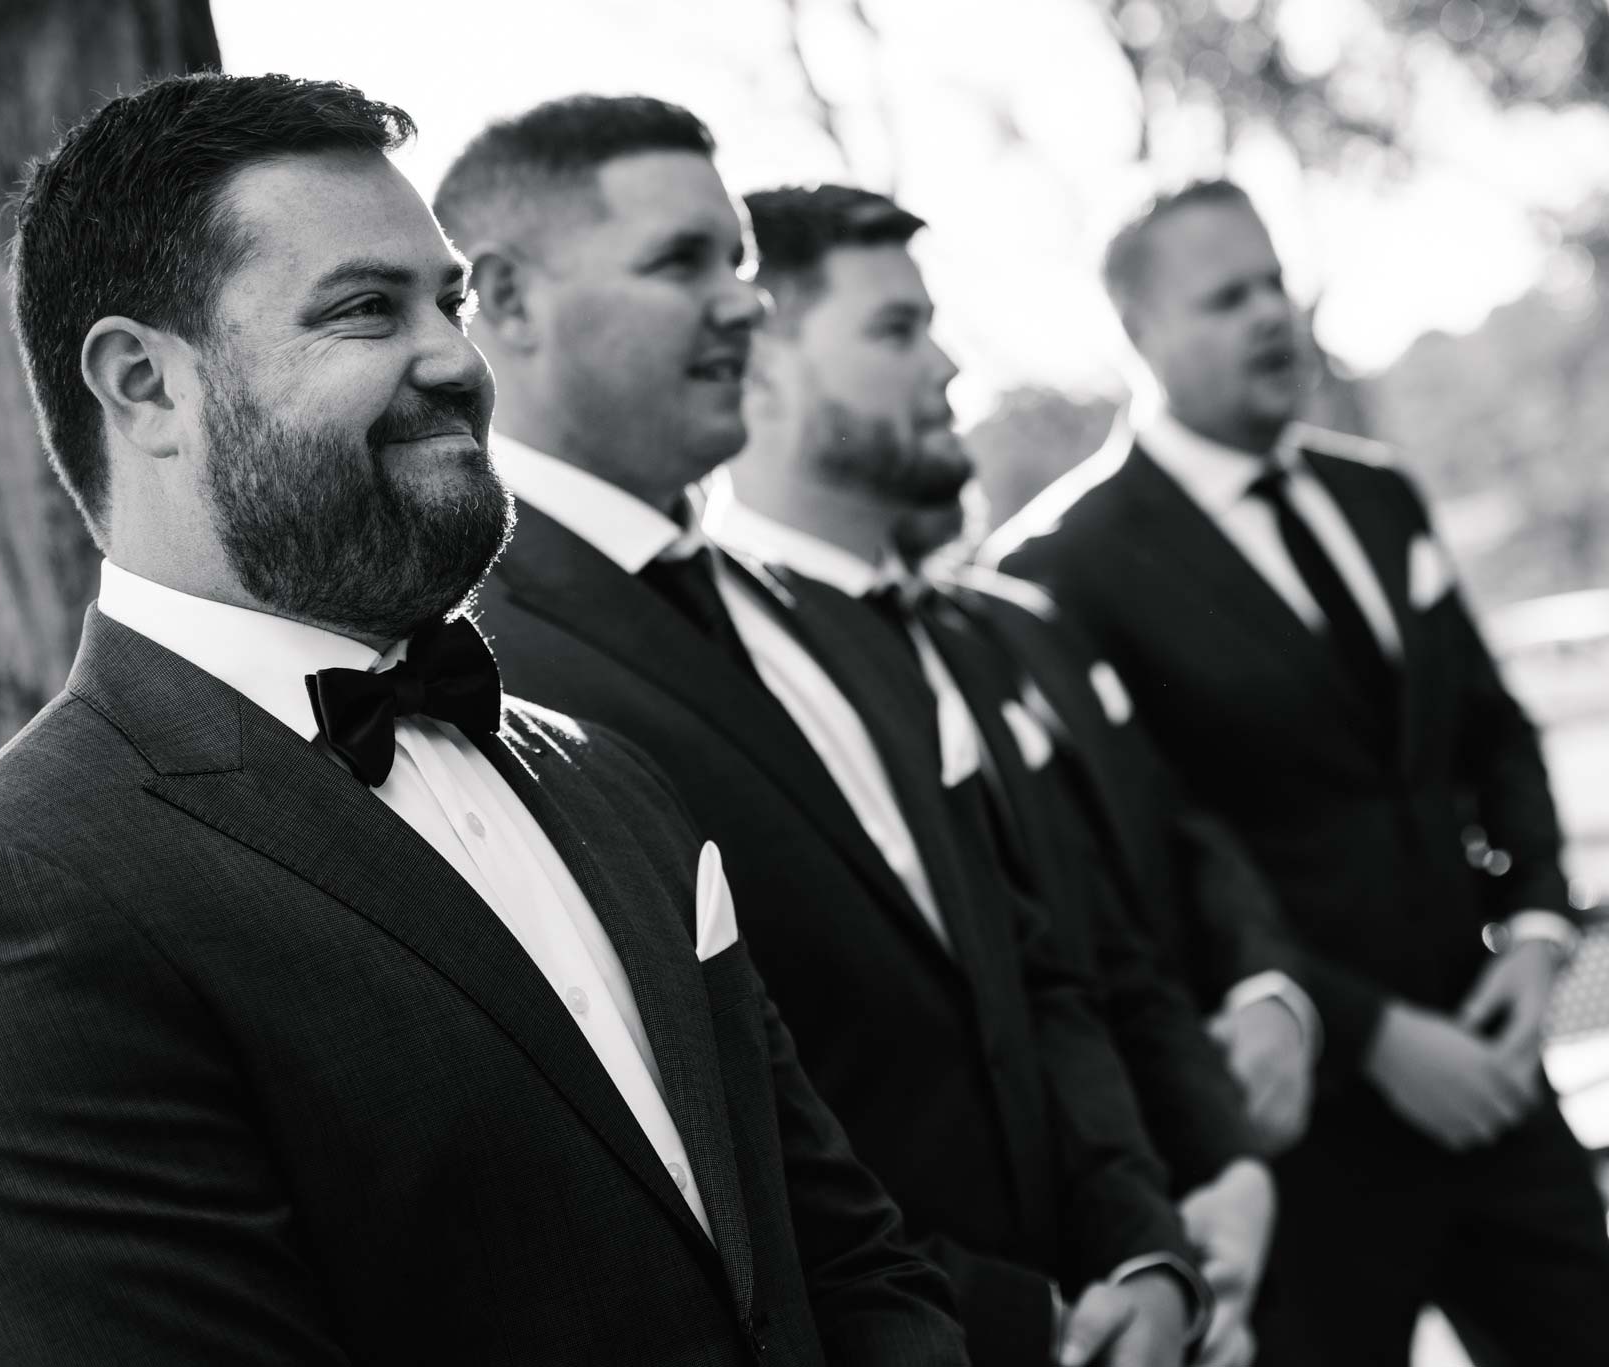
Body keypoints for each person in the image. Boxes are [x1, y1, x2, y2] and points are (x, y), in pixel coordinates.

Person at [0, 72, 968, 1367]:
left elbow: (841, 1253)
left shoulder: (605, 777)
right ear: (144, 385)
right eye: (366, 309)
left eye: (451, 301)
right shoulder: (12, 905)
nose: (460, 362)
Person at [437, 96, 1206, 1367]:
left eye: (739, 266)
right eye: (682, 262)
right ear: (507, 304)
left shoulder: (828, 611)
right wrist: (1023, 1323)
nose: (743, 305)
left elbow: (1026, 964)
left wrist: (1140, 1242)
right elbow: (673, 1130)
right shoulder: (489, 669)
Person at [986, 179, 1609, 1366]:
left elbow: (1490, 731)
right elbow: (1150, 856)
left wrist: (1538, 921)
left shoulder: (1374, 489)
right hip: (1299, 1144)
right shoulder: (1057, 567)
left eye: (1274, 283)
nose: (1268, 316)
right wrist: (1370, 1035)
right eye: (1224, 296)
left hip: (1497, 1083)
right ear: (1137, 333)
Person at [714, 183, 1337, 1367]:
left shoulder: (1012, 623)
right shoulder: (741, 682)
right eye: (895, 330)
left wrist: (1223, 1172)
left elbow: (1130, 910)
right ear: (760, 363)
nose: (947, 364)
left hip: (1199, 1249)